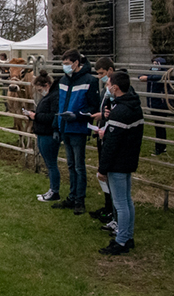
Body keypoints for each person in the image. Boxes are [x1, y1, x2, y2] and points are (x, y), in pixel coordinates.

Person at [97, 71, 143, 255]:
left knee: (120, 203)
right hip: (129, 158)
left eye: (108, 84)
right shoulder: (133, 106)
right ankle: (127, 235)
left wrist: (103, 169)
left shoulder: (121, 112)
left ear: (115, 87)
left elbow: (112, 144)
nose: (107, 87)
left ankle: (122, 240)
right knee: (127, 200)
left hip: (118, 162)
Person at [52, 49, 99, 215]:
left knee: (79, 166)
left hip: (78, 128)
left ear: (76, 63)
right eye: (63, 64)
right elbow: (60, 105)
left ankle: (80, 199)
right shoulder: (63, 80)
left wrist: (78, 116)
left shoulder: (89, 81)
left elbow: (93, 106)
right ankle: (72, 197)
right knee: (70, 165)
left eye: (67, 64)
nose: (65, 67)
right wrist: (56, 126)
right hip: (64, 127)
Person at [25, 70, 60, 202]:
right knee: (49, 163)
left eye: (40, 89)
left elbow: (52, 116)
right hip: (42, 132)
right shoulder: (50, 96)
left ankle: (54, 191)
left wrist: (36, 116)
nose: (40, 92)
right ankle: (52, 190)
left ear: (46, 85)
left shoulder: (54, 97)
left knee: (51, 164)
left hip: (48, 133)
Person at [90, 57, 117, 225]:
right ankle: (108, 206)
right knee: (103, 172)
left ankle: (114, 211)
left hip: (111, 135)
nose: (101, 78)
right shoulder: (105, 91)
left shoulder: (117, 90)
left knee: (109, 173)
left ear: (110, 71)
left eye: (102, 74)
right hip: (102, 133)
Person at [139, 57, 170, 156]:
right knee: (158, 126)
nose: (154, 65)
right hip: (152, 104)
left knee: (160, 126)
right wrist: (144, 77)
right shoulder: (152, 72)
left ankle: (160, 148)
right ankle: (161, 147)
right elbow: (142, 75)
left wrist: (147, 78)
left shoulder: (164, 73)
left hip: (160, 105)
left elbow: (159, 77)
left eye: (156, 63)